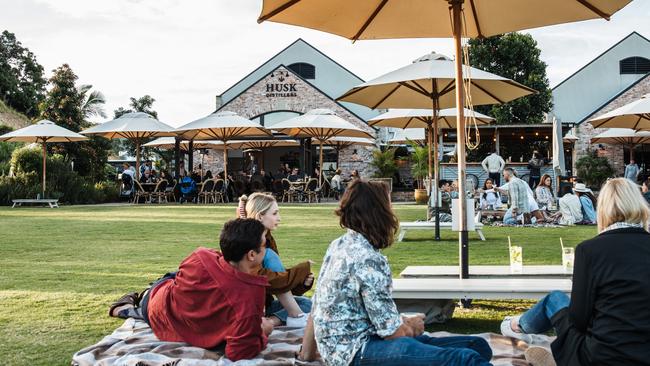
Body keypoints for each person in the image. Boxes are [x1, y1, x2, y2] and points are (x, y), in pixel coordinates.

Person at [298, 180, 493, 365]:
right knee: (466, 359)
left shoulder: (338, 245)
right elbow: (393, 334)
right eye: (390, 207)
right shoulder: (368, 259)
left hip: (347, 344)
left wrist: (306, 354)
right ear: (379, 214)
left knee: (477, 346)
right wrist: (412, 327)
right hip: (358, 351)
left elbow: (318, 304)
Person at [499, 178, 650, 366]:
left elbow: (579, 319)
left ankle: (516, 326)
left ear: (603, 208)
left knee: (555, 299)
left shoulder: (590, 250)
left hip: (601, 356)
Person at [108, 219, 274, 361]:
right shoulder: (249, 299)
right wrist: (264, 332)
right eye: (265, 244)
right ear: (252, 255)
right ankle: (124, 309)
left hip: (163, 297)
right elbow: (239, 352)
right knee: (159, 287)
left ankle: (144, 294)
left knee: (169, 279)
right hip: (156, 309)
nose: (267, 248)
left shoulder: (201, 257)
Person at [236, 193, 313, 328]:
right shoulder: (247, 244)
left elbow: (279, 284)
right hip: (248, 304)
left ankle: (271, 321)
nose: (279, 218)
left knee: (308, 303)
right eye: (275, 213)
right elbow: (268, 279)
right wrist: (301, 270)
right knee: (270, 255)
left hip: (265, 303)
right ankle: (294, 315)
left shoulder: (267, 239)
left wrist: (303, 283)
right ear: (260, 216)